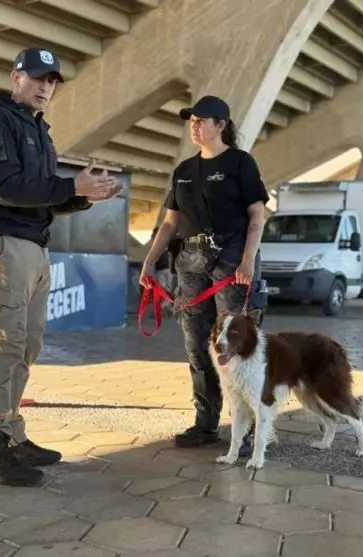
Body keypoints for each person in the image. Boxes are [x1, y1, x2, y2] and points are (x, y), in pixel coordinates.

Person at [0, 47, 123, 487]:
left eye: (52, 81)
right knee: (5, 342)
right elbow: (7, 188)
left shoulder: (38, 129)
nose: (45, 87)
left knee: (26, 345)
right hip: (6, 243)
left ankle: (12, 432)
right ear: (14, 76)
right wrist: (70, 184)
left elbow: (42, 193)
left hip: (34, 245)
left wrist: (83, 196)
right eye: (37, 77)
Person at [140, 95, 269, 454]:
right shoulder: (183, 170)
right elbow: (169, 224)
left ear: (221, 125)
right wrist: (149, 262)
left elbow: (258, 216)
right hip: (191, 266)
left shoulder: (241, 163)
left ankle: (245, 431)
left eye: (201, 120)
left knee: (238, 350)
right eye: (191, 120)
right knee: (198, 347)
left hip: (232, 264)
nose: (194, 125)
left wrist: (247, 262)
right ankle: (205, 423)